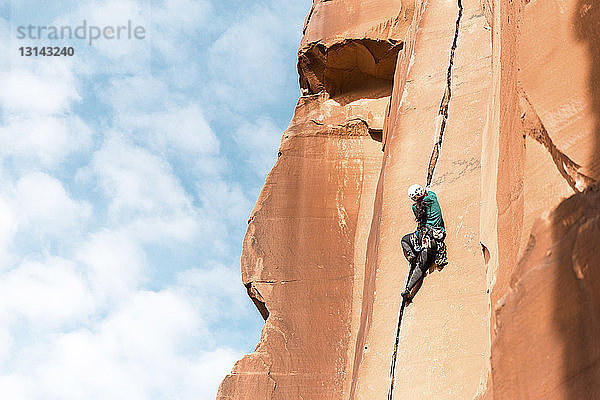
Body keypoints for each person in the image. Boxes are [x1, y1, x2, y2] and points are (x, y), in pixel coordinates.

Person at [400, 184, 447, 301]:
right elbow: (428, 191)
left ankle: (411, 255)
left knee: (404, 240)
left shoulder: (414, 208)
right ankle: (408, 288)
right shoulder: (432, 197)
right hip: (433, 239)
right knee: (422, 266)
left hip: (420, 237)